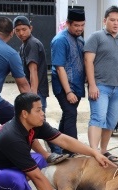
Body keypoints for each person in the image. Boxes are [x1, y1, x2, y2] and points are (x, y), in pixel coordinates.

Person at [0, 17, 62, 165]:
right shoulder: (10, 53)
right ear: (11, 33)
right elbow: (22, 84)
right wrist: (31, 105)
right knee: (22, 123)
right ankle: (46, 155)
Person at [84, 5, 118, 162]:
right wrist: (92, 84)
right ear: (105, 20)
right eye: (112, 20)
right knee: (98, 118)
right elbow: (88, 61)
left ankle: (103, 151)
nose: (116, 23)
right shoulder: (96, 37)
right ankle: (93, 152)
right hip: (100, 87)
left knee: (111, 121)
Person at [13, 16, 62, 155]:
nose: (21, 33)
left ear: (31, 28)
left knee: (41, 125)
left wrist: (32, 96)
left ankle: (57, 152)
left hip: (36, 92)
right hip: (34, 92)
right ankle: (55, 151)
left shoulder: (32, 44)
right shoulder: (24, 45)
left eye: (24, 29)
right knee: (37, 124)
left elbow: (33, 70)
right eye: (17, 30)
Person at [50, 8, 86, 157]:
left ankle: (58, 146)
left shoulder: (81, 39)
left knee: (67, 115)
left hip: (77, 86)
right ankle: (73, 150)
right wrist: (68, 91)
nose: (79, 28)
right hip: (65, 87)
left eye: (82, 25)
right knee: (71, 114)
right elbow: (59, 68)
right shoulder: (60, 40)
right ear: (68, 24)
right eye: (76, 25)